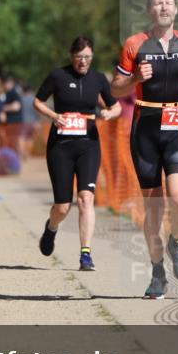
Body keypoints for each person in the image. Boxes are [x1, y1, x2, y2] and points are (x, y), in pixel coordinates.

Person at [111, 0, 178, 299]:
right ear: (150, 11)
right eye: (157, 3)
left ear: (176, 9)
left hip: (177, 125)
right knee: (153, 209)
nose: (163, 7)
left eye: (168, 3)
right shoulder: (135, 44)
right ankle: (156, 274)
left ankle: (176, 242)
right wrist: (135, 79)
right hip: (146, 128)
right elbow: (116, 89)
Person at [34, 36, 122, 271]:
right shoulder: (58, 76)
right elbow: (38, 101)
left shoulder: (98, 79)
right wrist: (54, 116)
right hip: (60, 147)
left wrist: (109, 114)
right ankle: (51, 228)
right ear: (71, 56)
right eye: (79, 57)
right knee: (63, 206)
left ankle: (85, 254)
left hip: (88, 145)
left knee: (86, 198)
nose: (83, 62)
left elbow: (116, 106)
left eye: (87, 58)